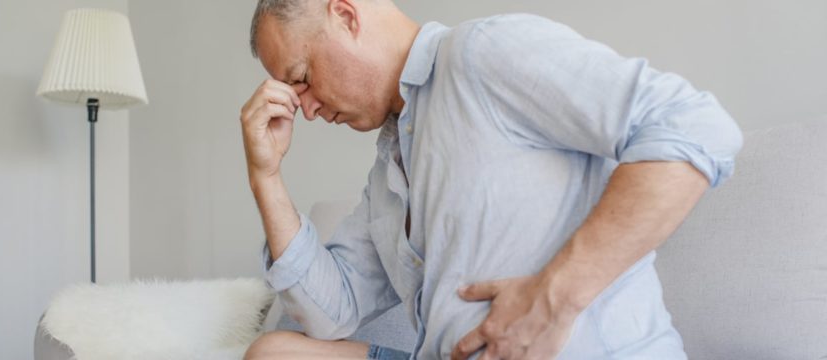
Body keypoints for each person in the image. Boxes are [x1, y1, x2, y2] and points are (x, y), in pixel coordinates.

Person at [239, 0, 743, 359]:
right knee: (274, 353)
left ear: (346, 16)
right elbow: (333, 313)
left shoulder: (479, 54)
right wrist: (266, 177)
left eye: (301, 76)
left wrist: (556, 294)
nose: (303, 107)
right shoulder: (387, 173)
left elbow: (693, 125)